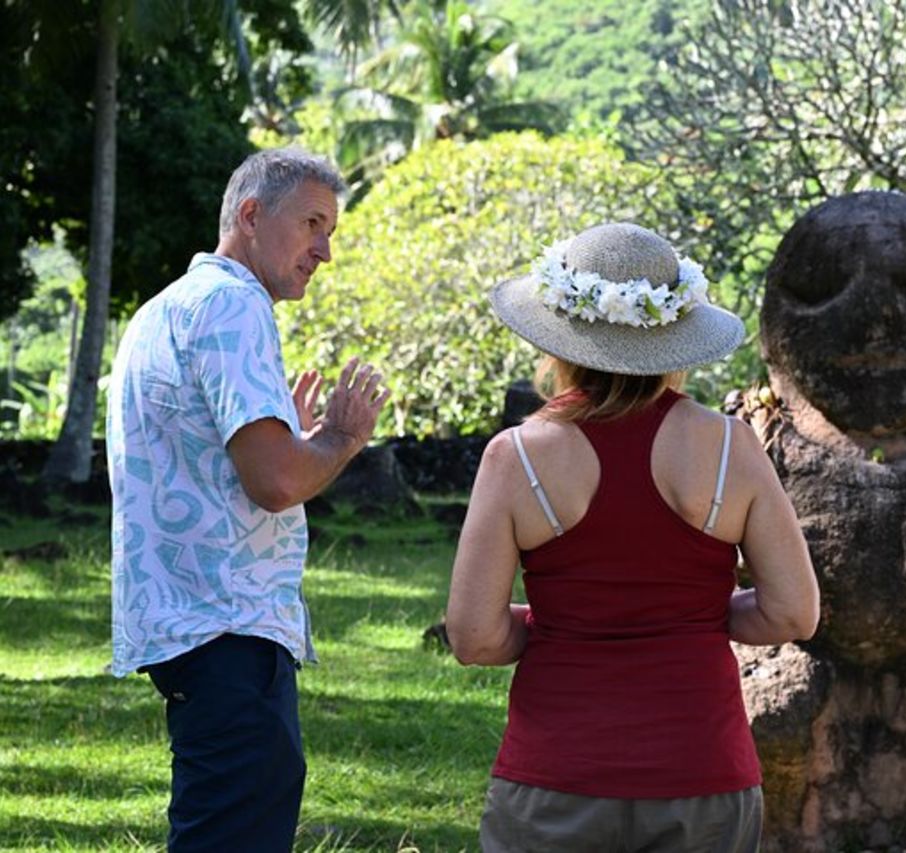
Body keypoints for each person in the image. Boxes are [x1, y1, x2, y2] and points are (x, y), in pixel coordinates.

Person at [446, 222, 820, 852]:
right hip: (703, 775)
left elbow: (475, 638)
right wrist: (694, 615)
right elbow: (793, 612)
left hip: (557, 775)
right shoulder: (731, 445)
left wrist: (560, 620)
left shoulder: (516, 457)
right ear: (673, 337)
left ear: (558, 341)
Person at [106, 147, 390, 851]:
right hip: (227, 624)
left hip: (183, 620)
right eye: (313, 223)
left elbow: (220, 457)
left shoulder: (164, 308)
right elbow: (278, 481)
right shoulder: (235, 305)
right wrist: (341, 438)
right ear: (252, 214)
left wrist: (295, 436)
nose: (324, 250)